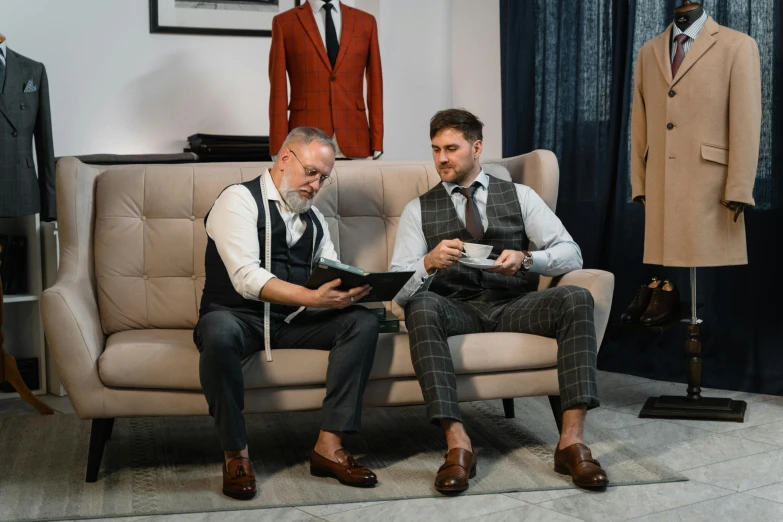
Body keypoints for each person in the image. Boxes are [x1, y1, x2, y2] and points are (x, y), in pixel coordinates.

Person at [390, 109, 609, 494]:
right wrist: (427, 263)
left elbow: (571, 253)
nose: (442, 158)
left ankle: (571, 443)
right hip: (455, 308)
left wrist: (527, 260)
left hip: (513, 306)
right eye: (436, 149)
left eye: (452, 148)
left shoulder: (521, 196)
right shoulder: (417, 209)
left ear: (477, 148)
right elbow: (398, 290)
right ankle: (458, 445)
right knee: (421, 306)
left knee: (576, 297)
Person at [195, 127, 380, 500]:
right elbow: (246, 277)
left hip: (291, 321)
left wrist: (352, 288)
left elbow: (331, 267)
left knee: (362, 321)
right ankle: (236, 455)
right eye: (311, 172)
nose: (316, 185)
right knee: (216, 332)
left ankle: (329, 445)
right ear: (284, 159)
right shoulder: (237, 200)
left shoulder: (315, 220)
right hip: (237, 317)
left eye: (324, 178)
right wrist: (313, 298)